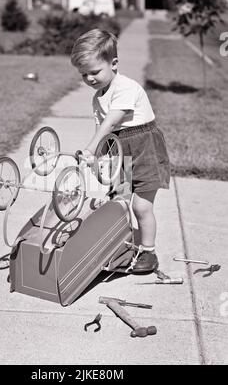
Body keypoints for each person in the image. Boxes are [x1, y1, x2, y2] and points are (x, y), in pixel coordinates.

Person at [70, 29, 170, 273]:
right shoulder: (98, 98)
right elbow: (102, 130)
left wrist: (90, 147)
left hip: (145, 148)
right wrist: (98, 157)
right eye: (84, 75)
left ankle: (148, 252)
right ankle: (122, 244)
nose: (90, 78)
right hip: (120, 150)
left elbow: (111, 122)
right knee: (119, 202)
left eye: (95, 72)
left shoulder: (126, 87)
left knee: (141, 207)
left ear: (113, 63)